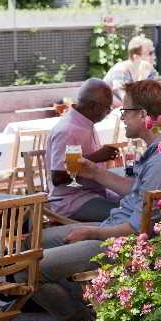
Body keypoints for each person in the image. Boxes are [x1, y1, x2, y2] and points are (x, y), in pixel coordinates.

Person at [30, 80, 161, 321]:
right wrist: (95, 172)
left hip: (125, 240)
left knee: (30, 267)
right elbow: (136, 192)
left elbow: (136, 228)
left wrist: (91, 230)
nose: (121, 117)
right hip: (116, 226)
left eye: (125, 111)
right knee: (29, 244)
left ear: (143, 116)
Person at [46, 78, 120, 222]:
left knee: (134, 204)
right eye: (107, 108)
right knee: (124, 215)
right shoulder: (68, 130)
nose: (108, 112)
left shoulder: (85, 123)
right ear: (93, 106)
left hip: (93, 193)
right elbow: (58, 177)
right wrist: (95, 157)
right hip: (72, 201)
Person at [103, 34, 156, 106]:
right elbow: (127, 101)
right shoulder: (121, 70)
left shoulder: (149, 71)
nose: (154, 57)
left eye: (153, 52)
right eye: (150, 53)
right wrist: (141, 79)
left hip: (125, 112)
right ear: (136, 57)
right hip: (107, 112)